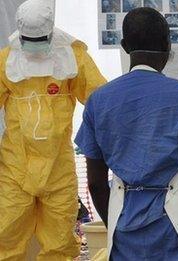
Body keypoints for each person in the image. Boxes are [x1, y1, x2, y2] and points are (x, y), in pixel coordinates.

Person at [75, 7, 178, 260]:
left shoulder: (98, 101)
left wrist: (114, 221)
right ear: (168, 45)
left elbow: (95, 184)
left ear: (124, 46)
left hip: (124, 230)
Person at [0, 0, 107, 259]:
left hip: (58, 168)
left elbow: (101, 101)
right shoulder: (6, 61)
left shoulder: (74, 58)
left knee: (59, 242)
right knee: (6, 236)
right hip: (16, 167)